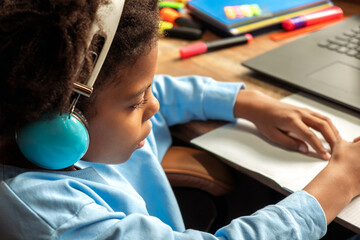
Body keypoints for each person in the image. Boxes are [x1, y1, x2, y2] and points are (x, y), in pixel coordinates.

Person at [0, 0, 359, 239]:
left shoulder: (56, 127)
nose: (154, 107)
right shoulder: (59, 220)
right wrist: (336, 186)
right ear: (62, 118)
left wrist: (246, 102)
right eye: (138, 101)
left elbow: (163, 92)